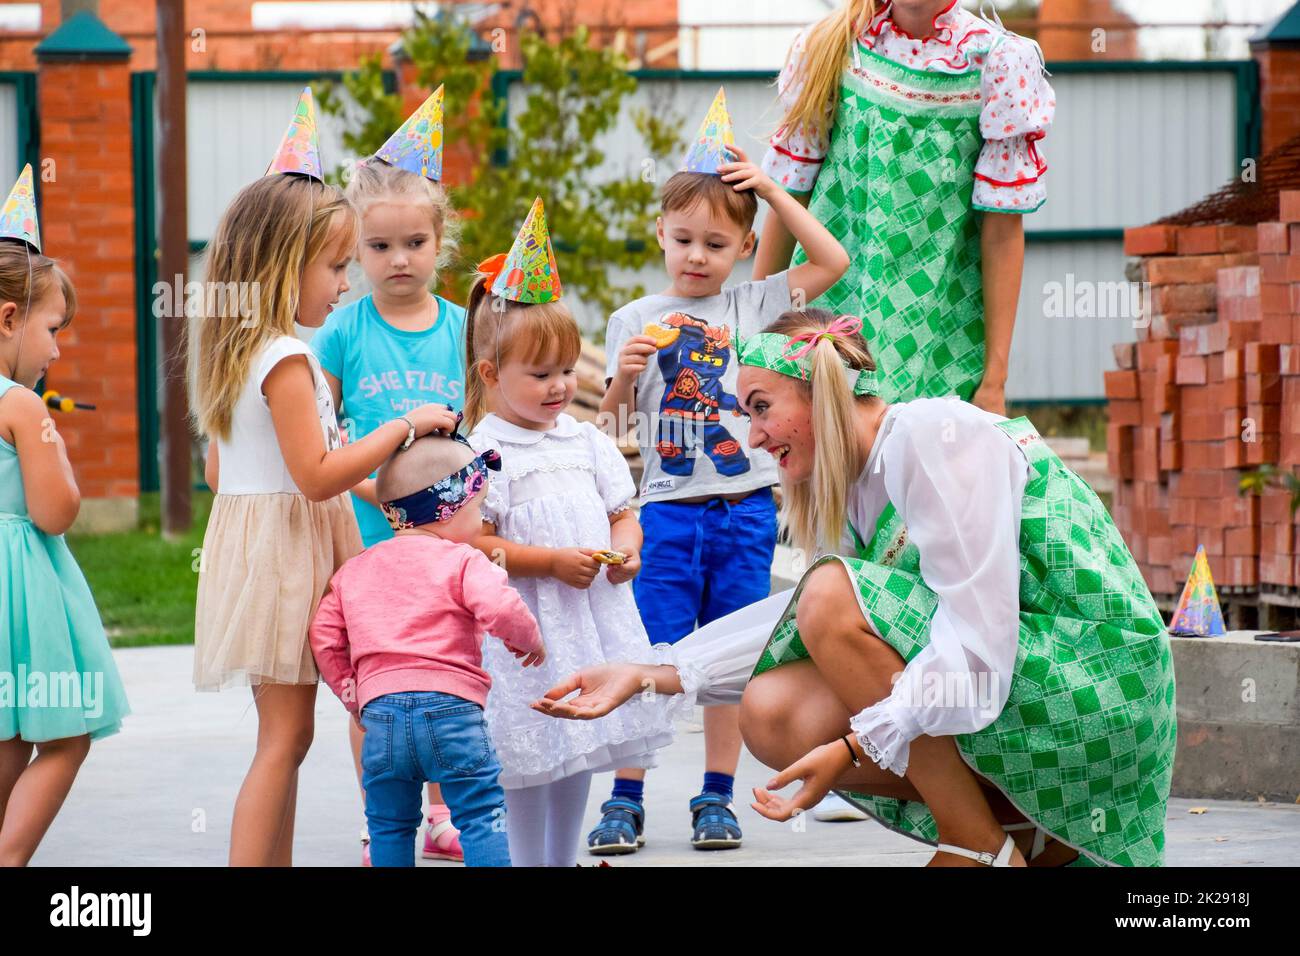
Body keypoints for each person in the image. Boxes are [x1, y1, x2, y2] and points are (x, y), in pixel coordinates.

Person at [536, 309, 1177, 868]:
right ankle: (1015, 835)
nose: (752, 436)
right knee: (772, 709)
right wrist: (651, 672)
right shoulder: (857, 488)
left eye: (761, 407)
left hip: (1095, 681)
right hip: (1033, 682)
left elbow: (980, 648)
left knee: (828, 596)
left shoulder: (934, 436)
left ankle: (973, 842)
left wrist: (855, 745)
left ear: (821, 389)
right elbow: (800, 620)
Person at [189, 89, 458, 866]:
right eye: (336, 265)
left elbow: (218, 470)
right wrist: (403, 428)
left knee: (291, 734)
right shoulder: (289, 359)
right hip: (289, 555)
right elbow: (314, 476)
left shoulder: (239, 354)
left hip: (256, 550)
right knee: (283, 740)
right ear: (282, 265)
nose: (344, 284)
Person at [593, 88, 848, 853]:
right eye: (683, 240)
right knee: (653, 655)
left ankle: (715, 797)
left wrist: (771, 189)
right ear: (661, 237)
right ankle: (626, 797)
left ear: (743, 248)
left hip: (744, 508)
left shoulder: (756, 308)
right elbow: (608, 425)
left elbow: (833, 260)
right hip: (668, 511)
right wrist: (620, 375)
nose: (696, 256)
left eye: (714, 243)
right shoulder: (633, 320)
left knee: (728, 660)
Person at [465, 199, 675, 867]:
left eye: (567, 369)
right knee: (531, 750)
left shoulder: (585, 439)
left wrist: (629, 549)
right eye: (542, 374)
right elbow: (472, 543)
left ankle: (562, 859)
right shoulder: (483, 451)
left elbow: (623, 508)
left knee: (581, 743)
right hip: (528, 631)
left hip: (590, 622)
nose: (561, 387)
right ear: (491, 375)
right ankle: (530, 860)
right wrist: (548, 561)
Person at [755, 0, 1056, 417]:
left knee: (918, 471)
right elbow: (790, 198)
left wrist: (994, 380)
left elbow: (1002, 232)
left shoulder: (998, 64)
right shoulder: (832, 48)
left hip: (940, 337)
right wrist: (755, 329)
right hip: (826, 323)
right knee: (824, 470)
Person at [312, 89, 470, 864]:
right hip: (370, 537)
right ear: (356, 251)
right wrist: (364, 493)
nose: (398, 260)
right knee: (376, 687)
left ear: (441, 241)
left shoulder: (462, 330)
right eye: (379, 248)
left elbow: (484, 431)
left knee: (445, 677)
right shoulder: (343, 329)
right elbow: (320, 431)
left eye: (414, 242)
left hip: (450, 542)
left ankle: (443, 810)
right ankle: (387, 819)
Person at [310, 432, 546, 866]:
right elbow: (499, 606)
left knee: (388, 822)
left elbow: (324, 634)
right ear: (449, 509)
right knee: (480, 815)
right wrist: (527, 639)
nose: (479, 523)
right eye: (476, 511)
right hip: (452, 711)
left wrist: (352, 693)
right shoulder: (465, 560)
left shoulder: (356, 568)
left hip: (380, 717)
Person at [0, 165, 130, 866]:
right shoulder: (19, 405)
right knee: (62, 737)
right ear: (9, 319)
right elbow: (55, 512)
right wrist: (55, 446)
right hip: (16, 603)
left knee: (4, 740)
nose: (57, 349)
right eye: (53, 329)